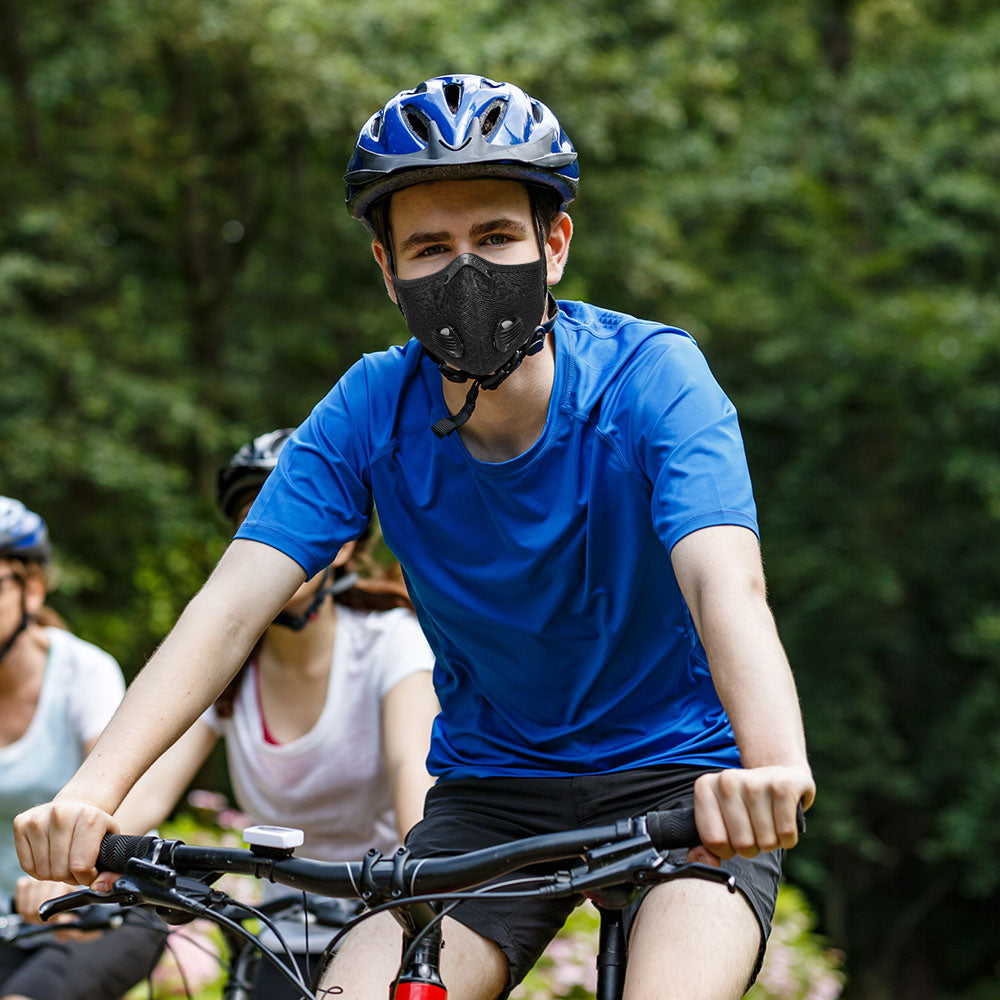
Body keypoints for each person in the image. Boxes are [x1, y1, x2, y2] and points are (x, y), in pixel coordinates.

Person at [15, 74, 816, 1000]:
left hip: (685, 778)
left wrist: (772, 766)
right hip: (495, 793)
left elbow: (726, 586)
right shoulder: (368, 408)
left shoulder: (653, 379)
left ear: (554, 244)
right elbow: (228, 612)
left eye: (497, 237)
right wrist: (92, 796)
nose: (466, 271)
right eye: (431, 248)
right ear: (388, 270)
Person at [111, 428, 439, 997]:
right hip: (279, 935)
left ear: (345, 545)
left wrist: (430, 881)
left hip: (391, 921)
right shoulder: (226, 669)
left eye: (299, 518)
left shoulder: (391, 644)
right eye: (254, 524)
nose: (272, 545)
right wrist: (85, 845)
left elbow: (415, 779)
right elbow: (145, 792)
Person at [0, 497, 164, 1000]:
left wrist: (68, 874)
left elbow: (123, 795)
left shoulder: (83, 673)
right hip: (11, 922)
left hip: (104, 907)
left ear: (32, 590)